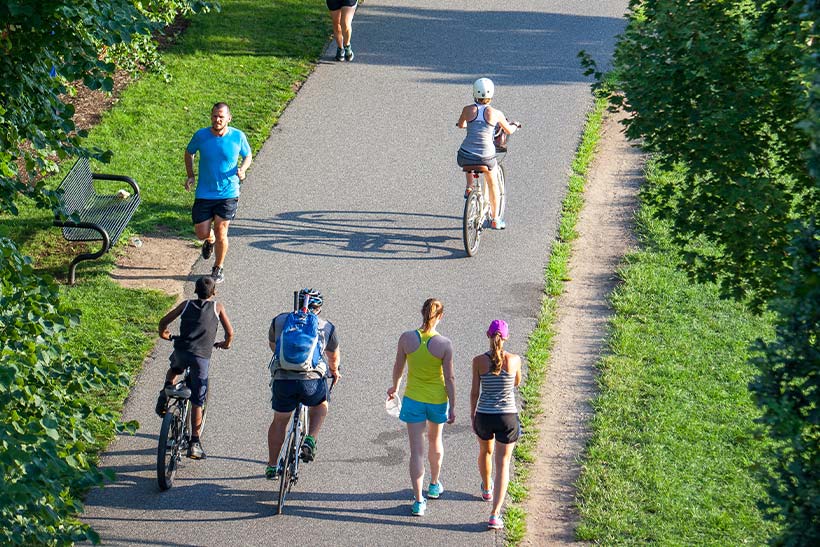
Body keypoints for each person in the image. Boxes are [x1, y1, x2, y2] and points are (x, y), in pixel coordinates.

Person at [387, 298, 456, 517]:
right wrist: (452, 406)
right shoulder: (445, 344)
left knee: (416, 450)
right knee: (436, 441)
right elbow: (450, 378)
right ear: (440, 316)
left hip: (413, 399)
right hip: (437, 400)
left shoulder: (407, 338)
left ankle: (418, 500)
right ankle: (434, 485)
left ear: (422, 313)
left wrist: (394, 388)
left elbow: (399, 367)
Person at [155, 276, 234, 459]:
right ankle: (194, 443)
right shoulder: (217, 307)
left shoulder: (186, 305)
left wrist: (163, 333)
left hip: (182, 350)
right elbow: (229, 333)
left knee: (174, 370)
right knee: (198, 400)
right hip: (200, 359)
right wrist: (226, 343)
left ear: (195, 290)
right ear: (214, 292)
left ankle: (166, 391)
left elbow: (164, 321)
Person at [266, 288, 341, 479]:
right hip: (311, 381)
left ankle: (272, 466)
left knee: (280, 421)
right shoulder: (326, 326)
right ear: (319, 308)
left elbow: (274, 346)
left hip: (284, 379)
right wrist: (334, 371)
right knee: (321, 404)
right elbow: (333, 357)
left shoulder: (280, 320)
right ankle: (311, 438)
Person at [184, 102, 252, 284]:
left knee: (222, 230)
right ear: (211, 117)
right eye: (215, 116)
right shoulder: (201, 135)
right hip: (205, 192)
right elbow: (189, 152)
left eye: (221, 116)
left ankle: (218, 268)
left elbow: (248, 155)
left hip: (228, 192)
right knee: (201, 233)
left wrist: (243, 169)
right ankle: (210, 240)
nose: (217, 119)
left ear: (229, 118)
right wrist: (191, 175)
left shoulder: (238, 136)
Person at [469, 319, 522, 531]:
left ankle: (486, 488)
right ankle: (495, 514)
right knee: (504, 463)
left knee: (485, 452)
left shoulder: (478, 361)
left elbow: (475, 391)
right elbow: (516, 382)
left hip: (484, 414)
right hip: (507, 417)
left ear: (488, 335)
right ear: (506, 337)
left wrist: (473, 415)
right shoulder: (515, 360)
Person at [456, 78, 519, 230]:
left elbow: (461, 124)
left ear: (474, 93)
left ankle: (470, 186)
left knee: (468, 159)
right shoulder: (495, 113)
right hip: (486, 157)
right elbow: (509, 130)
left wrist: (466, 124)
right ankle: (496, 219)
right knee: (493, 184)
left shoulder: (467, 109)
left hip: (465, 155)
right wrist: (515, 125)